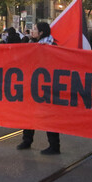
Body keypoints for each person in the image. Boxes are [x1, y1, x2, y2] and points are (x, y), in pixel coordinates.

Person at [17, 22, 61, 155]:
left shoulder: (52, 47)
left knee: (49, 116)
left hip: (47, 87)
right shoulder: (32, 45)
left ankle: (54, 145)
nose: (32, 31)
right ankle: (27, 140)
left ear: (41, 32)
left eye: (35, 29)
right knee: (29, 113)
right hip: (33, 86)